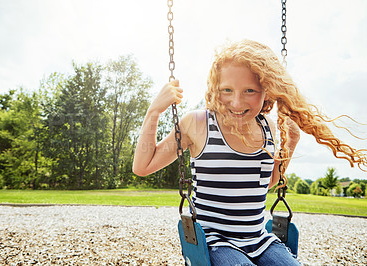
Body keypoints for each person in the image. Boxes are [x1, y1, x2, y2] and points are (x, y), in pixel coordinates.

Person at [132, 39, 366, 265]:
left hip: (258, 239)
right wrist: (154, 111)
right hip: (215, 241)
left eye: (249, 91)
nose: (236, 101)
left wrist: (290, 144)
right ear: (215, 88)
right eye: (227, 90)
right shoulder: (198, 124)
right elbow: (143, 166)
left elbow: (266, 183)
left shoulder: (268, 128)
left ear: (267, 90)